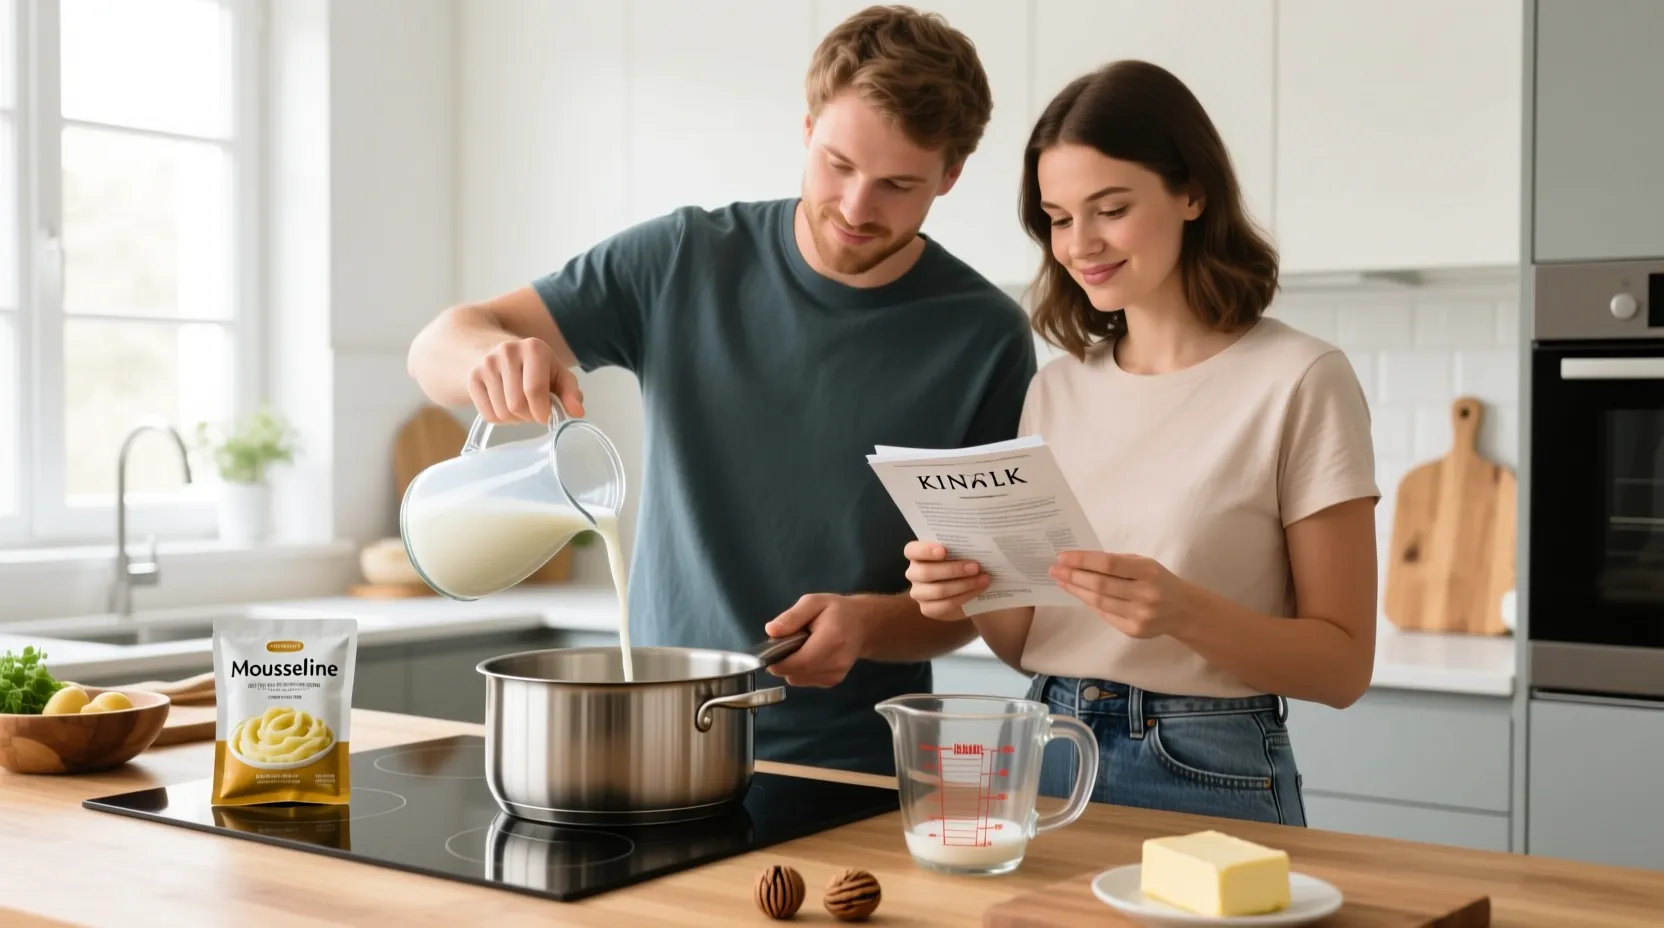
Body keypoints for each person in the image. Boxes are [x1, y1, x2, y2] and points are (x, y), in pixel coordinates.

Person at [407, 6, 1037, 776]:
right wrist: (489, 356)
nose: (856, 207)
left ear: (950, 175)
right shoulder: (682, 261)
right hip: (654, 737)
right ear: (807, 130)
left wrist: (870, 625)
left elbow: (972, 595)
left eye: (899, 184)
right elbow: (436, 347)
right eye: (838, 164)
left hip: (849, 764)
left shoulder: (984, 336)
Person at [903, 59, 1379, 827]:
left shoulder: (1301, 379)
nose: (1080, 243)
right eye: (1058, 217)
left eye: (1110, 208)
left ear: (1193, 192)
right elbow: (1030, 643)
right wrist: (972, 590)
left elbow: (1344, 665)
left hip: (1205, 762)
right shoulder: (1054, 390)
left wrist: (1184, 612)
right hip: (1045, 744)